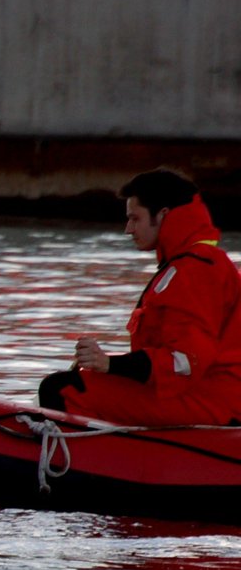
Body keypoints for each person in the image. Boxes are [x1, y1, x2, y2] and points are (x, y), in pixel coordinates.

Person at [38, 168, 241, 425]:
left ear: (163, 215)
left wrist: (110, 366)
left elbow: (187, 360)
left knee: (65, 389)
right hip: (199, 392)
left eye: (135, 219)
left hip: (210, 401)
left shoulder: (197, 269)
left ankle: (81, 460)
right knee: (78, 381)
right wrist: (109, 367)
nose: (128, 229)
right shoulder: (189, 264)